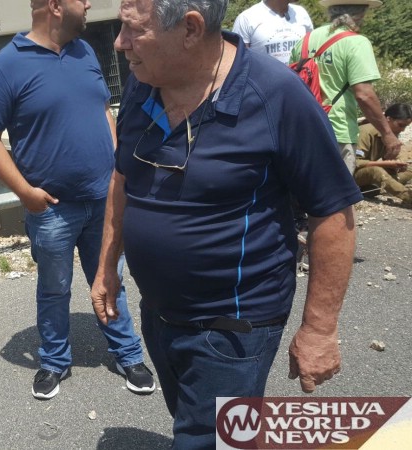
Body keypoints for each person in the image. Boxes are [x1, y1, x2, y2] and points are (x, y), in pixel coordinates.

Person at [91, 0, 362, 447]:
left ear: (191, 29)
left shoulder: (276, 95)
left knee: (209, 439)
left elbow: (332, 211)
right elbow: (123, 178)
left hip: (232, 329)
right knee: (197, 423)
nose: (120, 44)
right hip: (159, 314)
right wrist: (106, 267)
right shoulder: (144, 83)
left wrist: (319, 328)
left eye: (134, 30)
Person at [0, 0, 154, 400]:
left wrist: (117, 166)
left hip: (103, 199)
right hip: (52, 208)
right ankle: (54, 361)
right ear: (55, 5)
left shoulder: (84, 51)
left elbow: (103, 109)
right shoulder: (7, 65)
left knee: (111, 279)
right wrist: (25, 193)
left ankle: (128, 355)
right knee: (54, 289)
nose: (88, 3)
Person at [289, 0, 401, 174]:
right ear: (359, 15)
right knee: (338, 190)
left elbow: (291, 80)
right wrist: (387, 133)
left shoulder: (307, 39)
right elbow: (364, 95)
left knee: (304, 187)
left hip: (302, 127)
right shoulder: (356, 42)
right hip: (337, 130)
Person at [354, 103, 412, 204]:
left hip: (370, 173)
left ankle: (379, 188)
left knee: (409, 169)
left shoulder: (392, 134)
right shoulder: (366, 132)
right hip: (351, 174)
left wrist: (399, 163)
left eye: (405, 126)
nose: (403, 130)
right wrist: (385, 164)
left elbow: (400, 153)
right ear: (388, 119)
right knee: (376, 171)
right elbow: (355, 162)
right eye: (400, 125)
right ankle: (407, 196)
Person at [232, 0, 314, 64]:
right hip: (264, 80)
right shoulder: (246, 18)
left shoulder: (301, 13)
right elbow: (239, 61)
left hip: (299, 79)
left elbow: (311, 49)